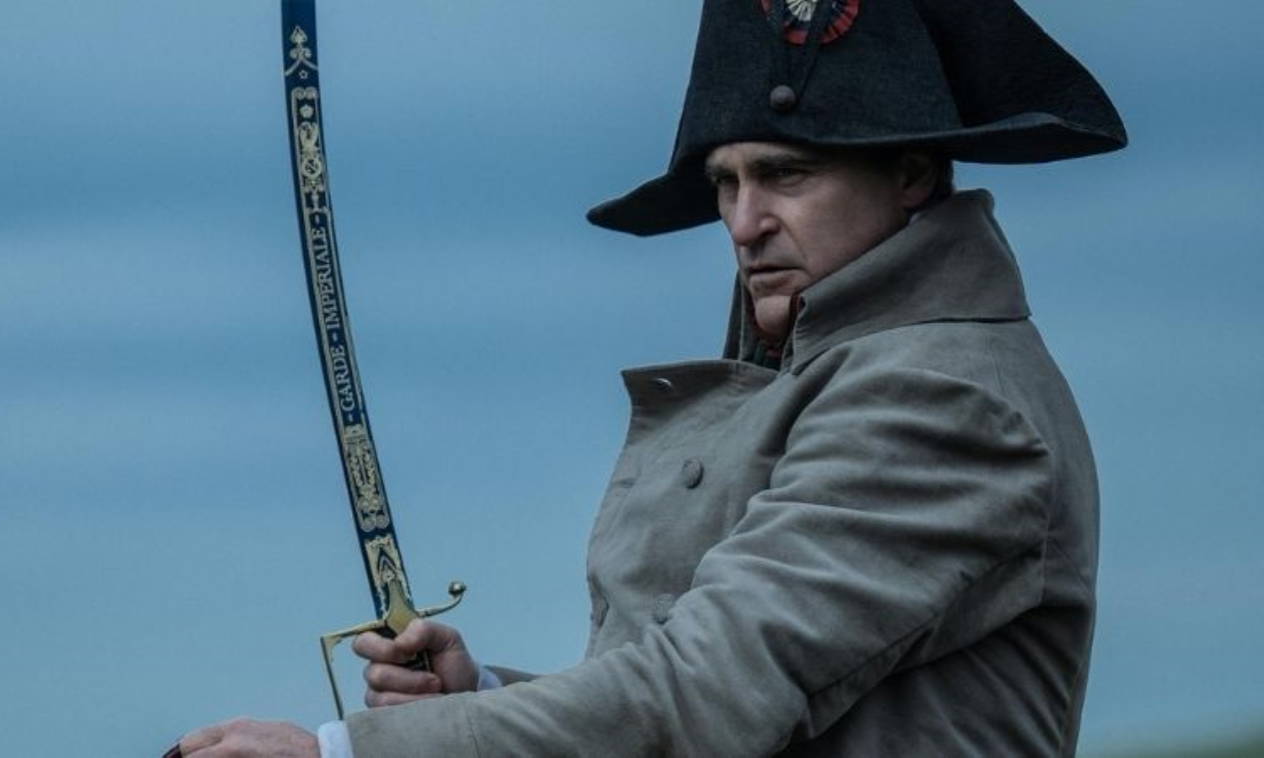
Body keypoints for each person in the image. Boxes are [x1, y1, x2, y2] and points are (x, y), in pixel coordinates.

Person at [177, 0, 1125, 755]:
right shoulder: (863, 375)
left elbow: (701, 698)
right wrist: (480, 700)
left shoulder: (939, 396)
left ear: (912, 175)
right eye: (726, 182)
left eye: (788, 176)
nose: (744, 223)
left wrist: (344, 752)